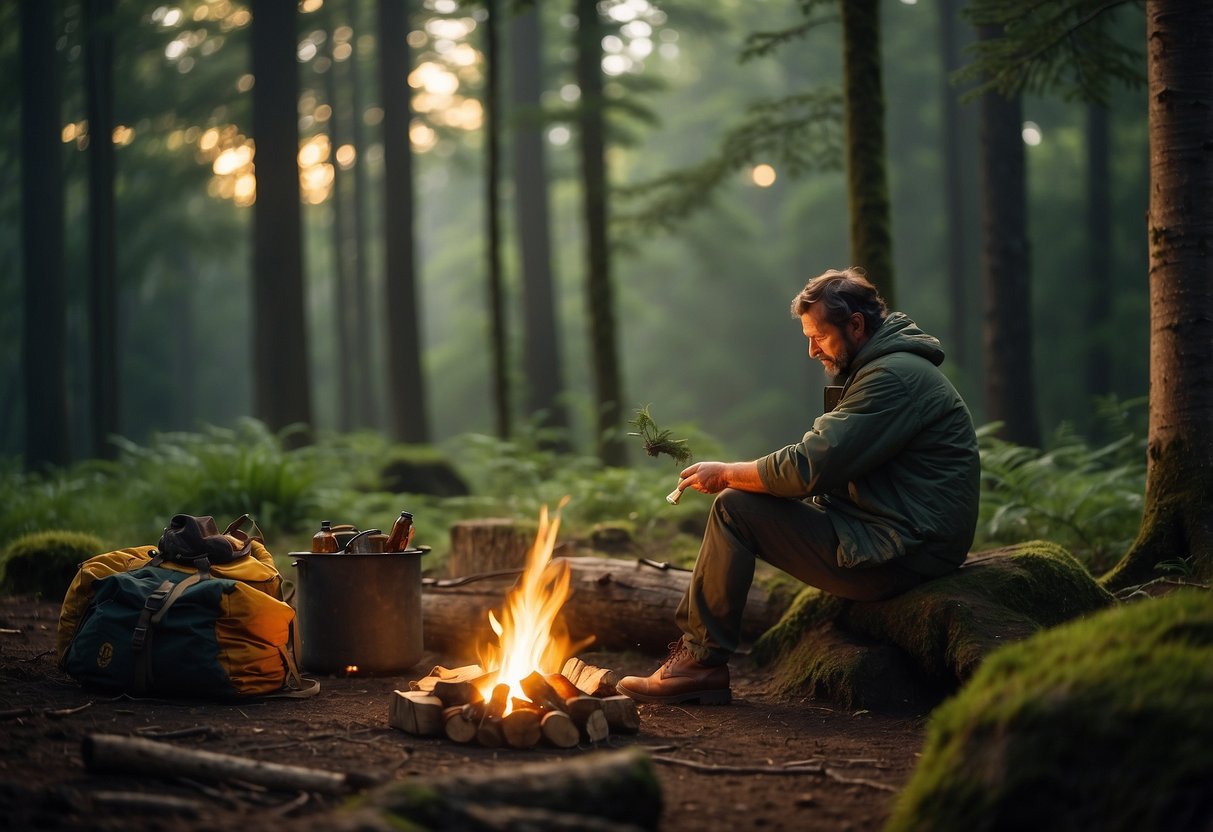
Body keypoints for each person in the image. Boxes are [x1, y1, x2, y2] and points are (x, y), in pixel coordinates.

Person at [616, 268, 981, 705]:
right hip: (896, 536)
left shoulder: (892, 379)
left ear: (856, 325)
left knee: (734, 508)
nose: (811, 350)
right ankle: (700, 661)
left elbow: (808, 467)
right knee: (743, 500)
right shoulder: (884, 369)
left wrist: (729, 472)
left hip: (904, 552)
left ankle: (699, 665)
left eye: (820, 337)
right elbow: (822, 466)